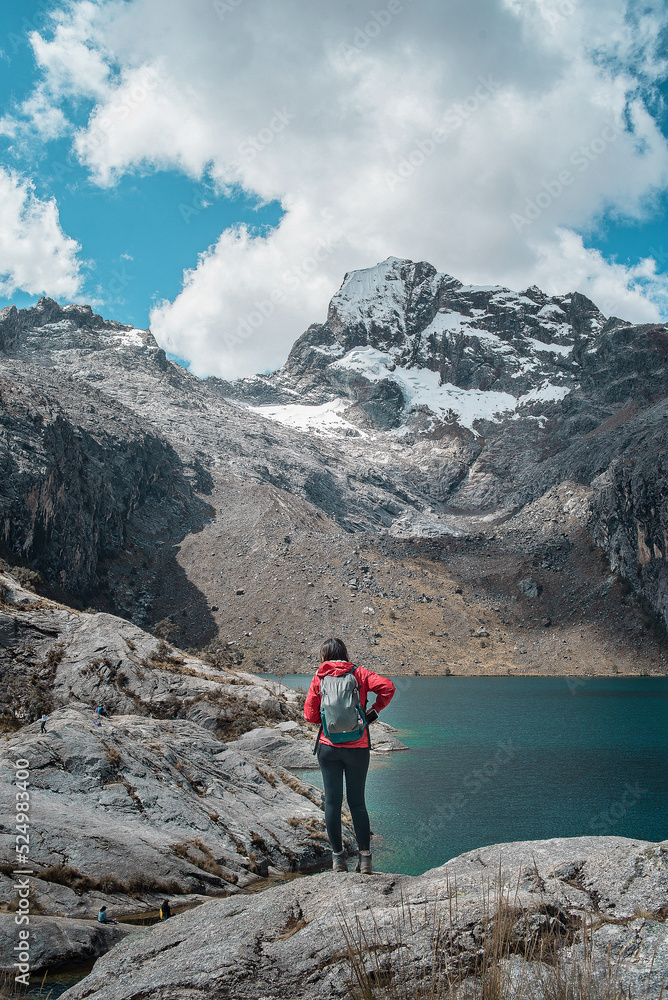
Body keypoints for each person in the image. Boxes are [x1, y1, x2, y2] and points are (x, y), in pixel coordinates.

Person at [304, 638, 395, 875]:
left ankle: (338, 860)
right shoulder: (360, 673)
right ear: (344, 654)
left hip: (328, 748)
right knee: (357, 803)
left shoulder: (320, 677)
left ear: (324, 655)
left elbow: (310, 715)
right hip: (358, 748)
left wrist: (326, 721)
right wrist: (373, 711)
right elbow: (388, 687)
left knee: (332, 803)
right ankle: (365, 860)